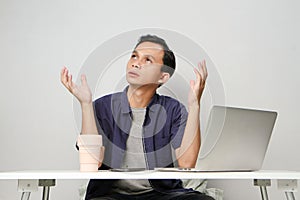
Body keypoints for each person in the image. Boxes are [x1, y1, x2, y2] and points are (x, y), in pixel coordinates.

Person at [61, 35, 213, 200]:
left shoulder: (173, 109)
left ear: (162, 77)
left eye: (147, 60)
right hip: (111, 195)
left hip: (161, 194)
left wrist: (195, 104)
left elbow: (187, 164)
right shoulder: (101, 107)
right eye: (134, 56)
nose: (135, 63)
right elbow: (92, 163)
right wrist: (86, 104)